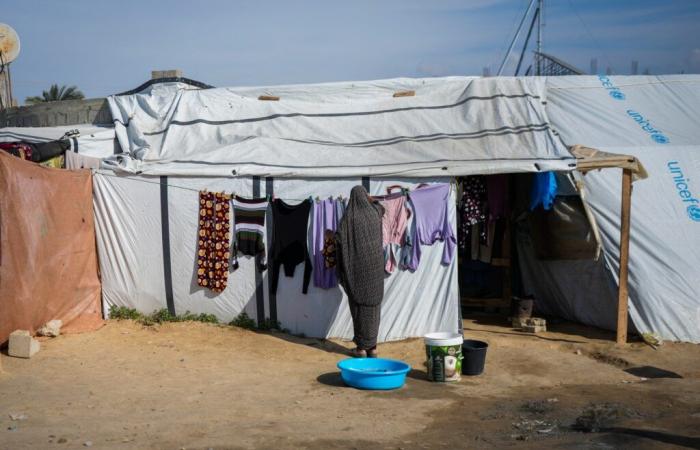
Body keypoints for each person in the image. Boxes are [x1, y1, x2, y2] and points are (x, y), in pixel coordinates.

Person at [335, 185, 385, 358]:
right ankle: (373, 348)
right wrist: (372, 200)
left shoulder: (348, 219)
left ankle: (362, 349)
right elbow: (382, 208)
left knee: (358, 308)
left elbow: (339, 240)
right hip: (376, 271)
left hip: (357, 272)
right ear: (365, 197)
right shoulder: (375, 214)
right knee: (374, 309)